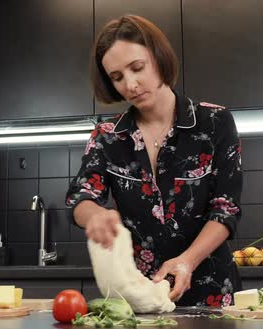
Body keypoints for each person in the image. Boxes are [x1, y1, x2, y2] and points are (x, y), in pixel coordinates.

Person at [66, 14, 243, 307]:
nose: (131, 85)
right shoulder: (107, 136)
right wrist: (93, 215)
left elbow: (226, 208)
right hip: (140, 295)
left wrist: (187, 261)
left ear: (159, 58)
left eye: (137, 68)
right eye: (117, 77)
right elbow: (81, 196)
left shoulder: (215, 122)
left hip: (210, 291)